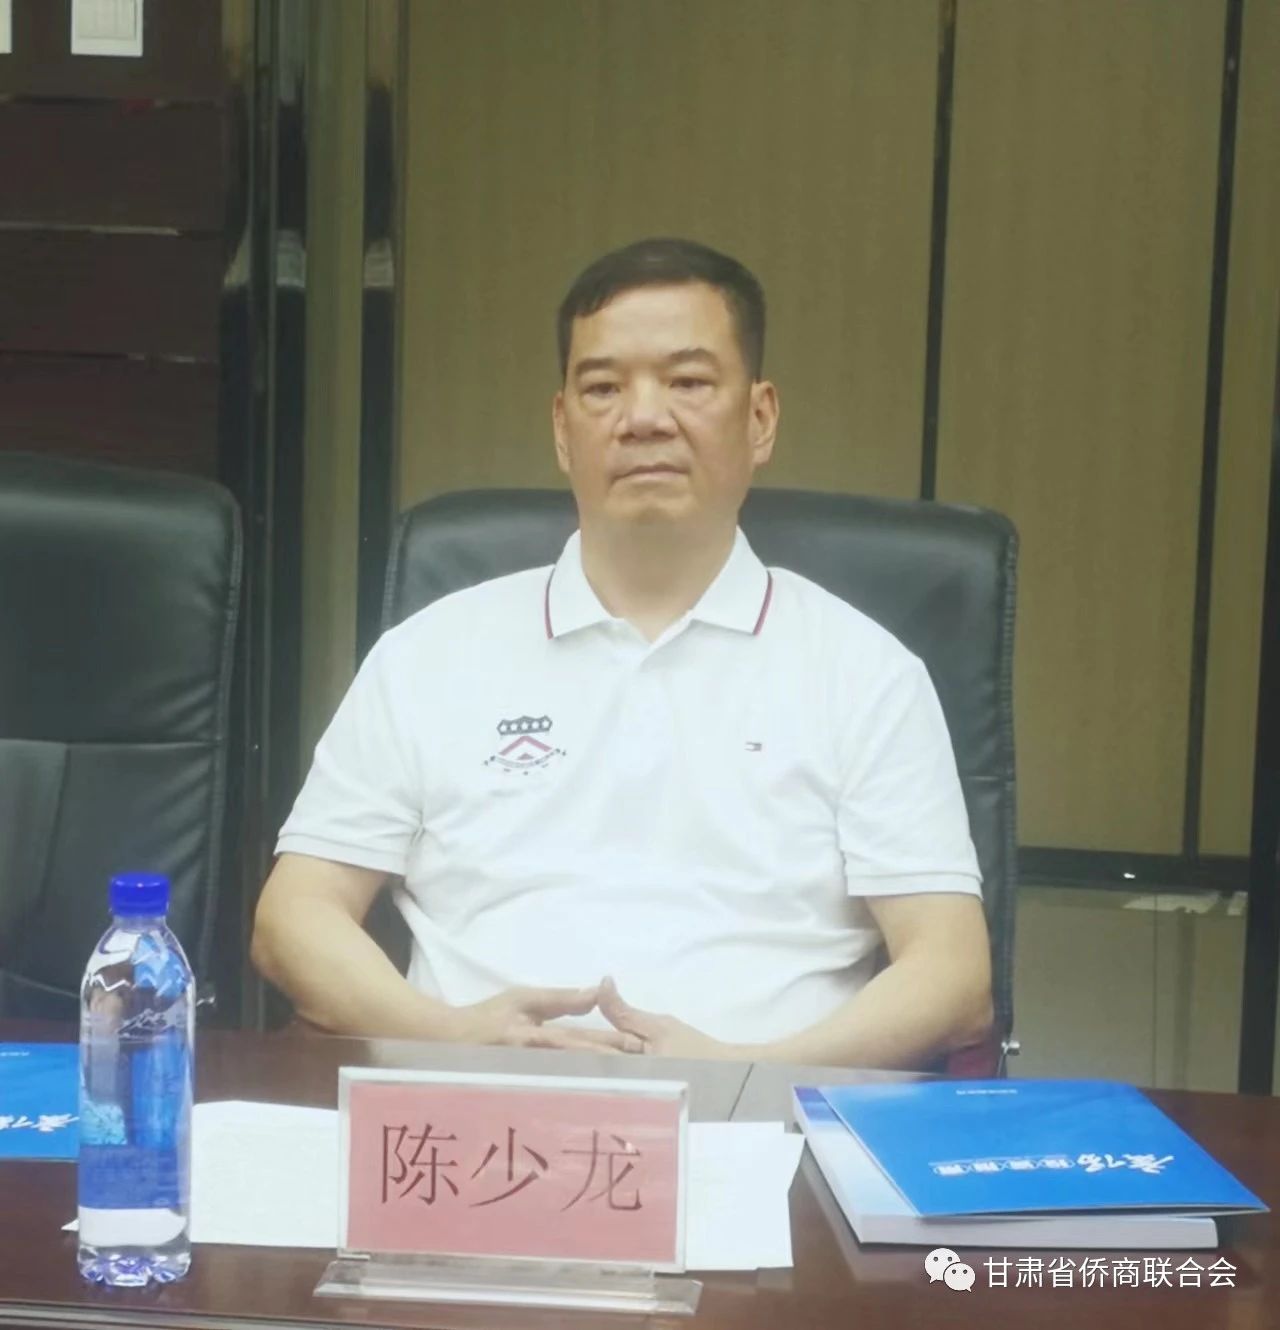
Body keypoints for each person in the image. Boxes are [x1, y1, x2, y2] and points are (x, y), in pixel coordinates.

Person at [252, 237, 993, 1068]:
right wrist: (452, 1036)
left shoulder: (865, 673)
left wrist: (744, 1075)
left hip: (760, 1119)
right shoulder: (430, 654)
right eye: (603, 388)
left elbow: (952, 972)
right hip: (471, 1110)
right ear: (563, 429)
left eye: (688, 382)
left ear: (759, 419)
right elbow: (294, 917)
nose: (643, 419)